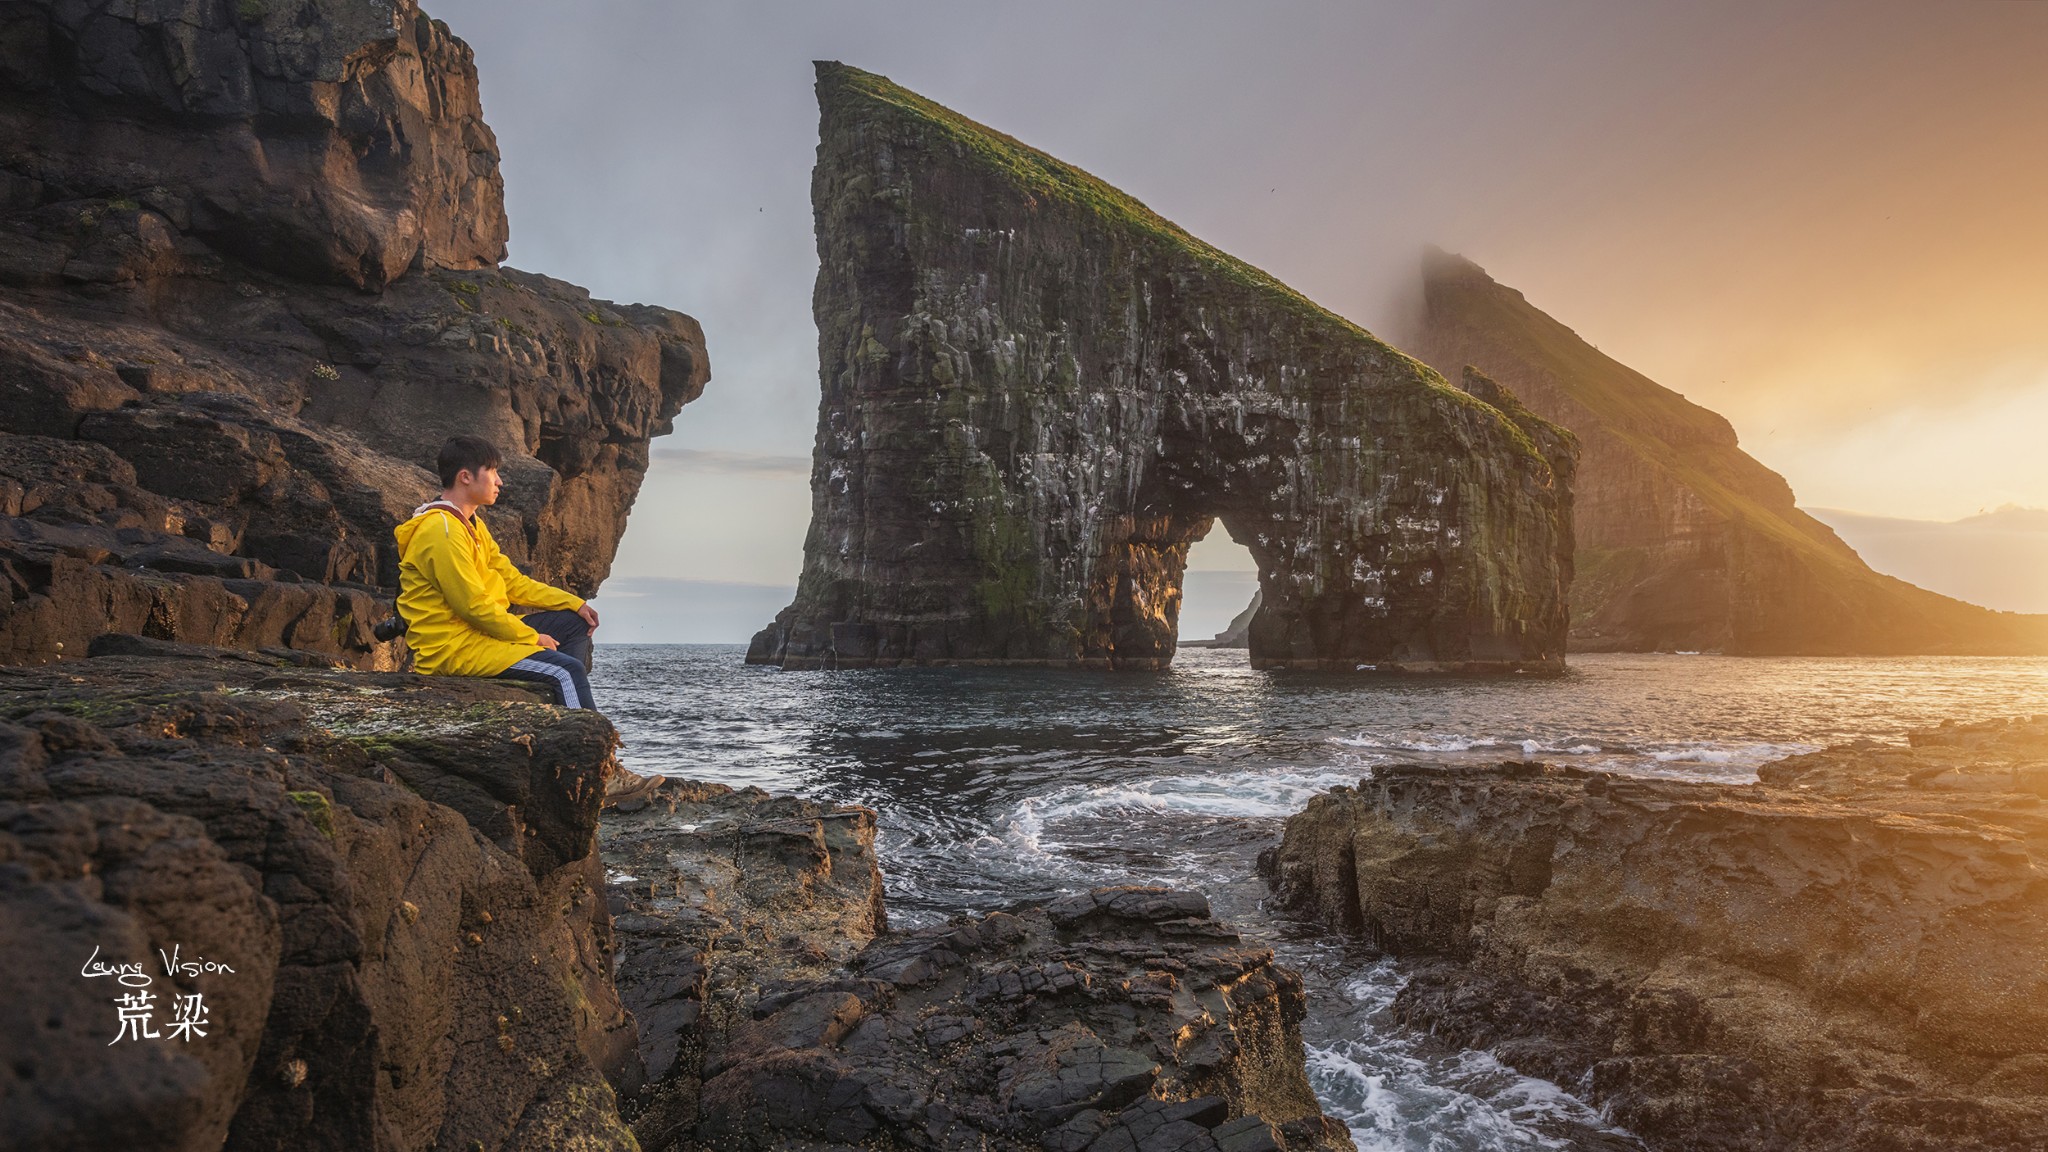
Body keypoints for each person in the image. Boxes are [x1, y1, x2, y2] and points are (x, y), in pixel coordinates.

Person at [393, 435, 602, 709]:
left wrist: (574, 603)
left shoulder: (471, 525)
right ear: (465, 477)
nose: (499, 481)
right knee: (567, 671)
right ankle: (584, 743)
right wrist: (532, 638)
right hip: (456, 650)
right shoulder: (441, 532)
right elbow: (471, 606)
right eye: (492, 471)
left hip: (482, 638)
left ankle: (551, 699)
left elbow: (513, 582)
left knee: (574, 623)